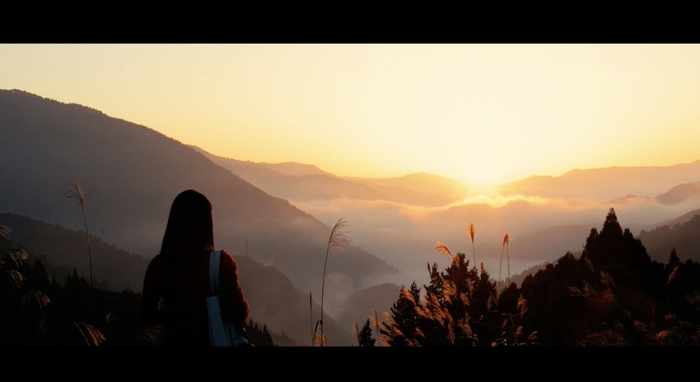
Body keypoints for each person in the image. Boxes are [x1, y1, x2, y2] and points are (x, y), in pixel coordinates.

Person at [141, 190, 249, 346]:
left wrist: (176, 313)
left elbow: (147, 316)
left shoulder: (159, 265)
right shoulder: (221, 263)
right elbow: (240, 313)